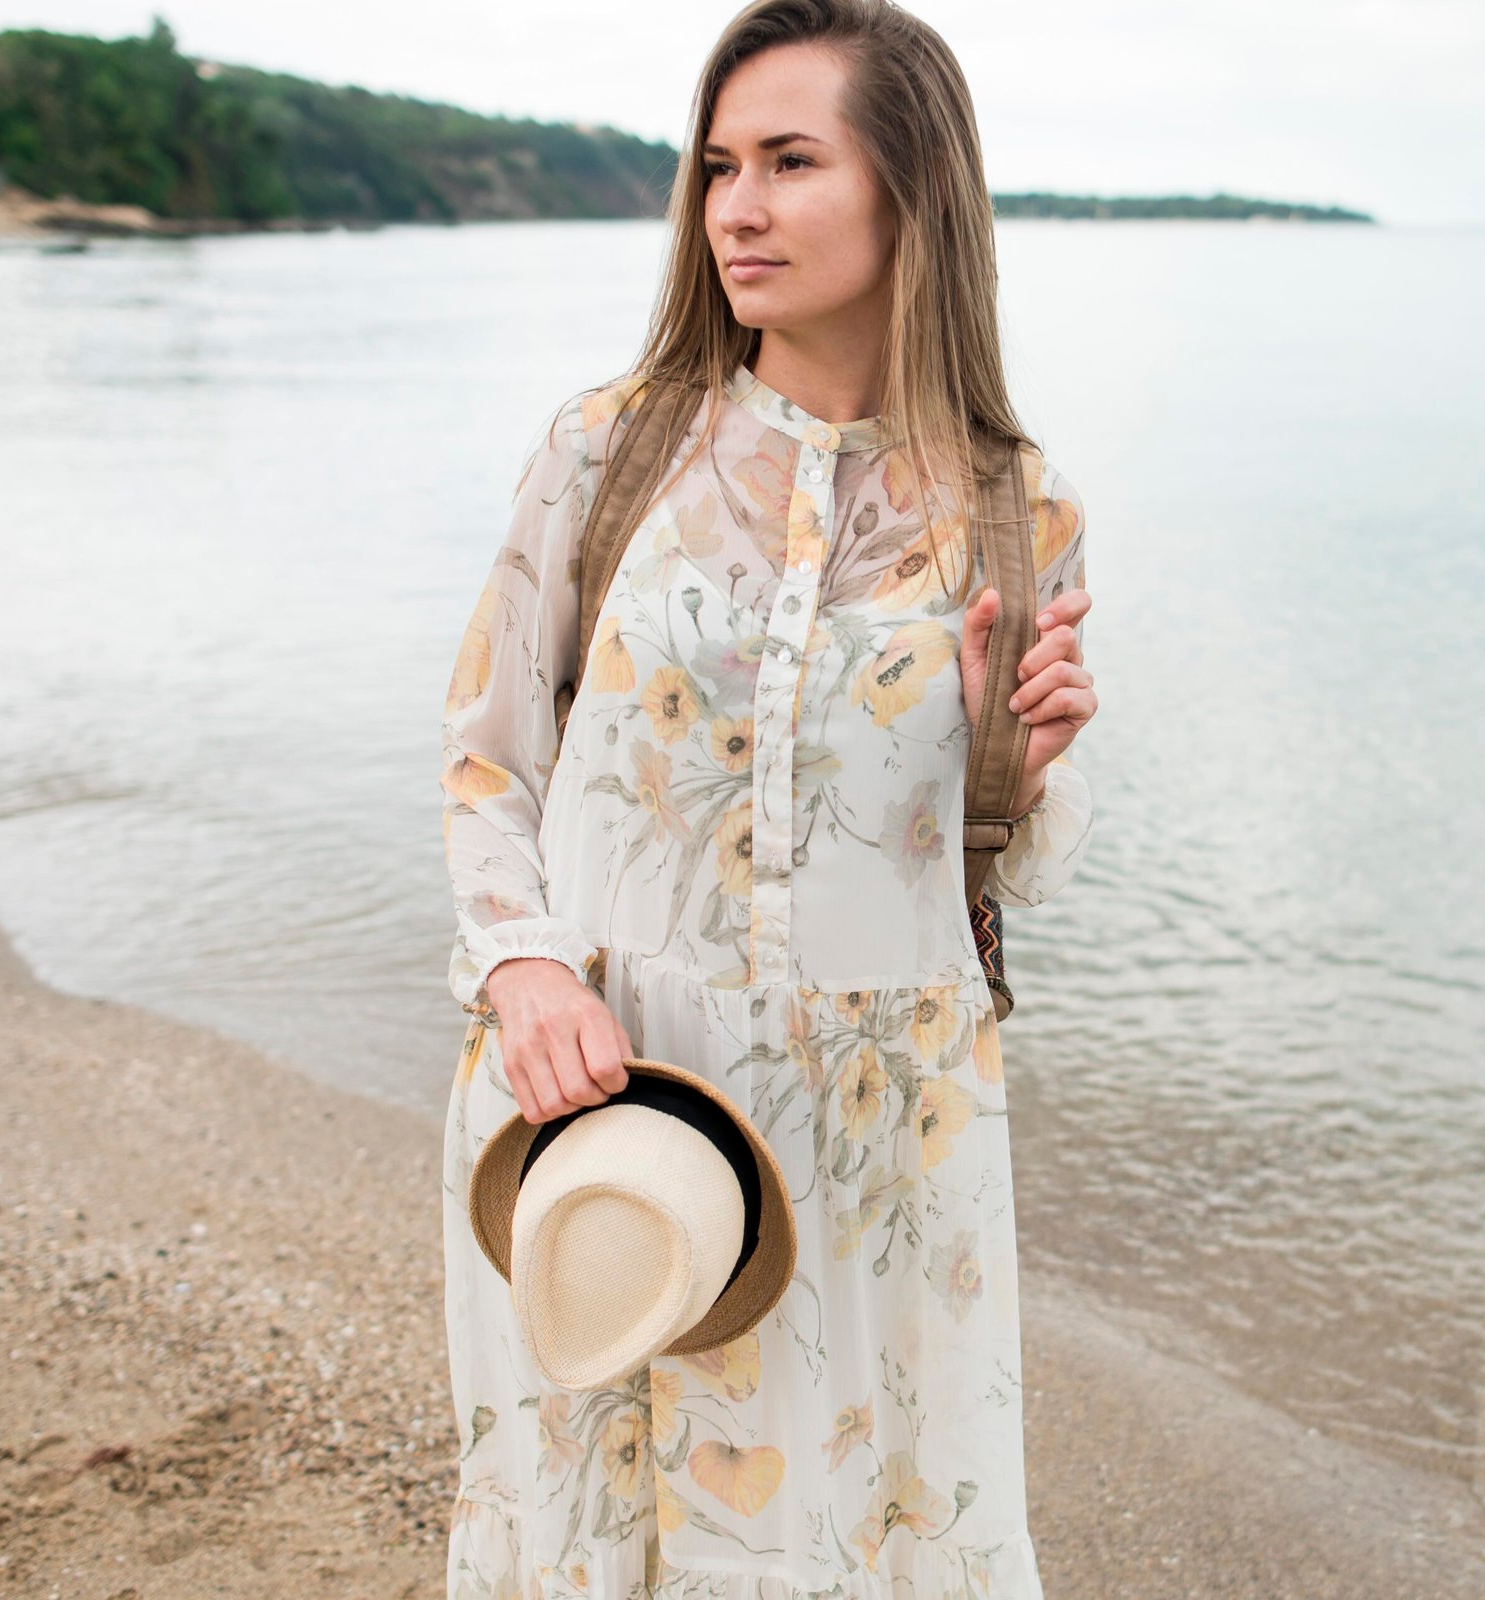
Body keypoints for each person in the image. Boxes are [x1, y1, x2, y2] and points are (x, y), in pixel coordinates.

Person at [437, 1, 1099, 1595]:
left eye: (791, 161)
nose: (735, 205)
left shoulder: (1023, 507)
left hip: (890, 1128)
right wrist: (522, 963)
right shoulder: (610, 450)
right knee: (597, 1520)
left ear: (913, 189)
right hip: (610, 1093)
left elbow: (1005, 863)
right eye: (721, 164)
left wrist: (1042, 761)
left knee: (871, 1530)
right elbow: (485, 753)